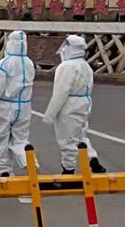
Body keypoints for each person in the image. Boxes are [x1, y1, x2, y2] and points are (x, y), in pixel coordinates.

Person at [43, 35, 106, 174]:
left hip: (70, 105)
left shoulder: (66, 67)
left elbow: (60, 92)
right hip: (84, 103)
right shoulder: (85, 65)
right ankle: (93, 159)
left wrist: (49, 115)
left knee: (67, 139)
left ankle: (68, 170)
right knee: (80, 135)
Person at [0, 31, 36, 176]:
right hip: (24, 106)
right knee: (20, 139)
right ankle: (30, 163)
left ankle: (4, 170)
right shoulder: (29, 63)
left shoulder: (6, 63)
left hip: (6, 106)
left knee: (0, 138)